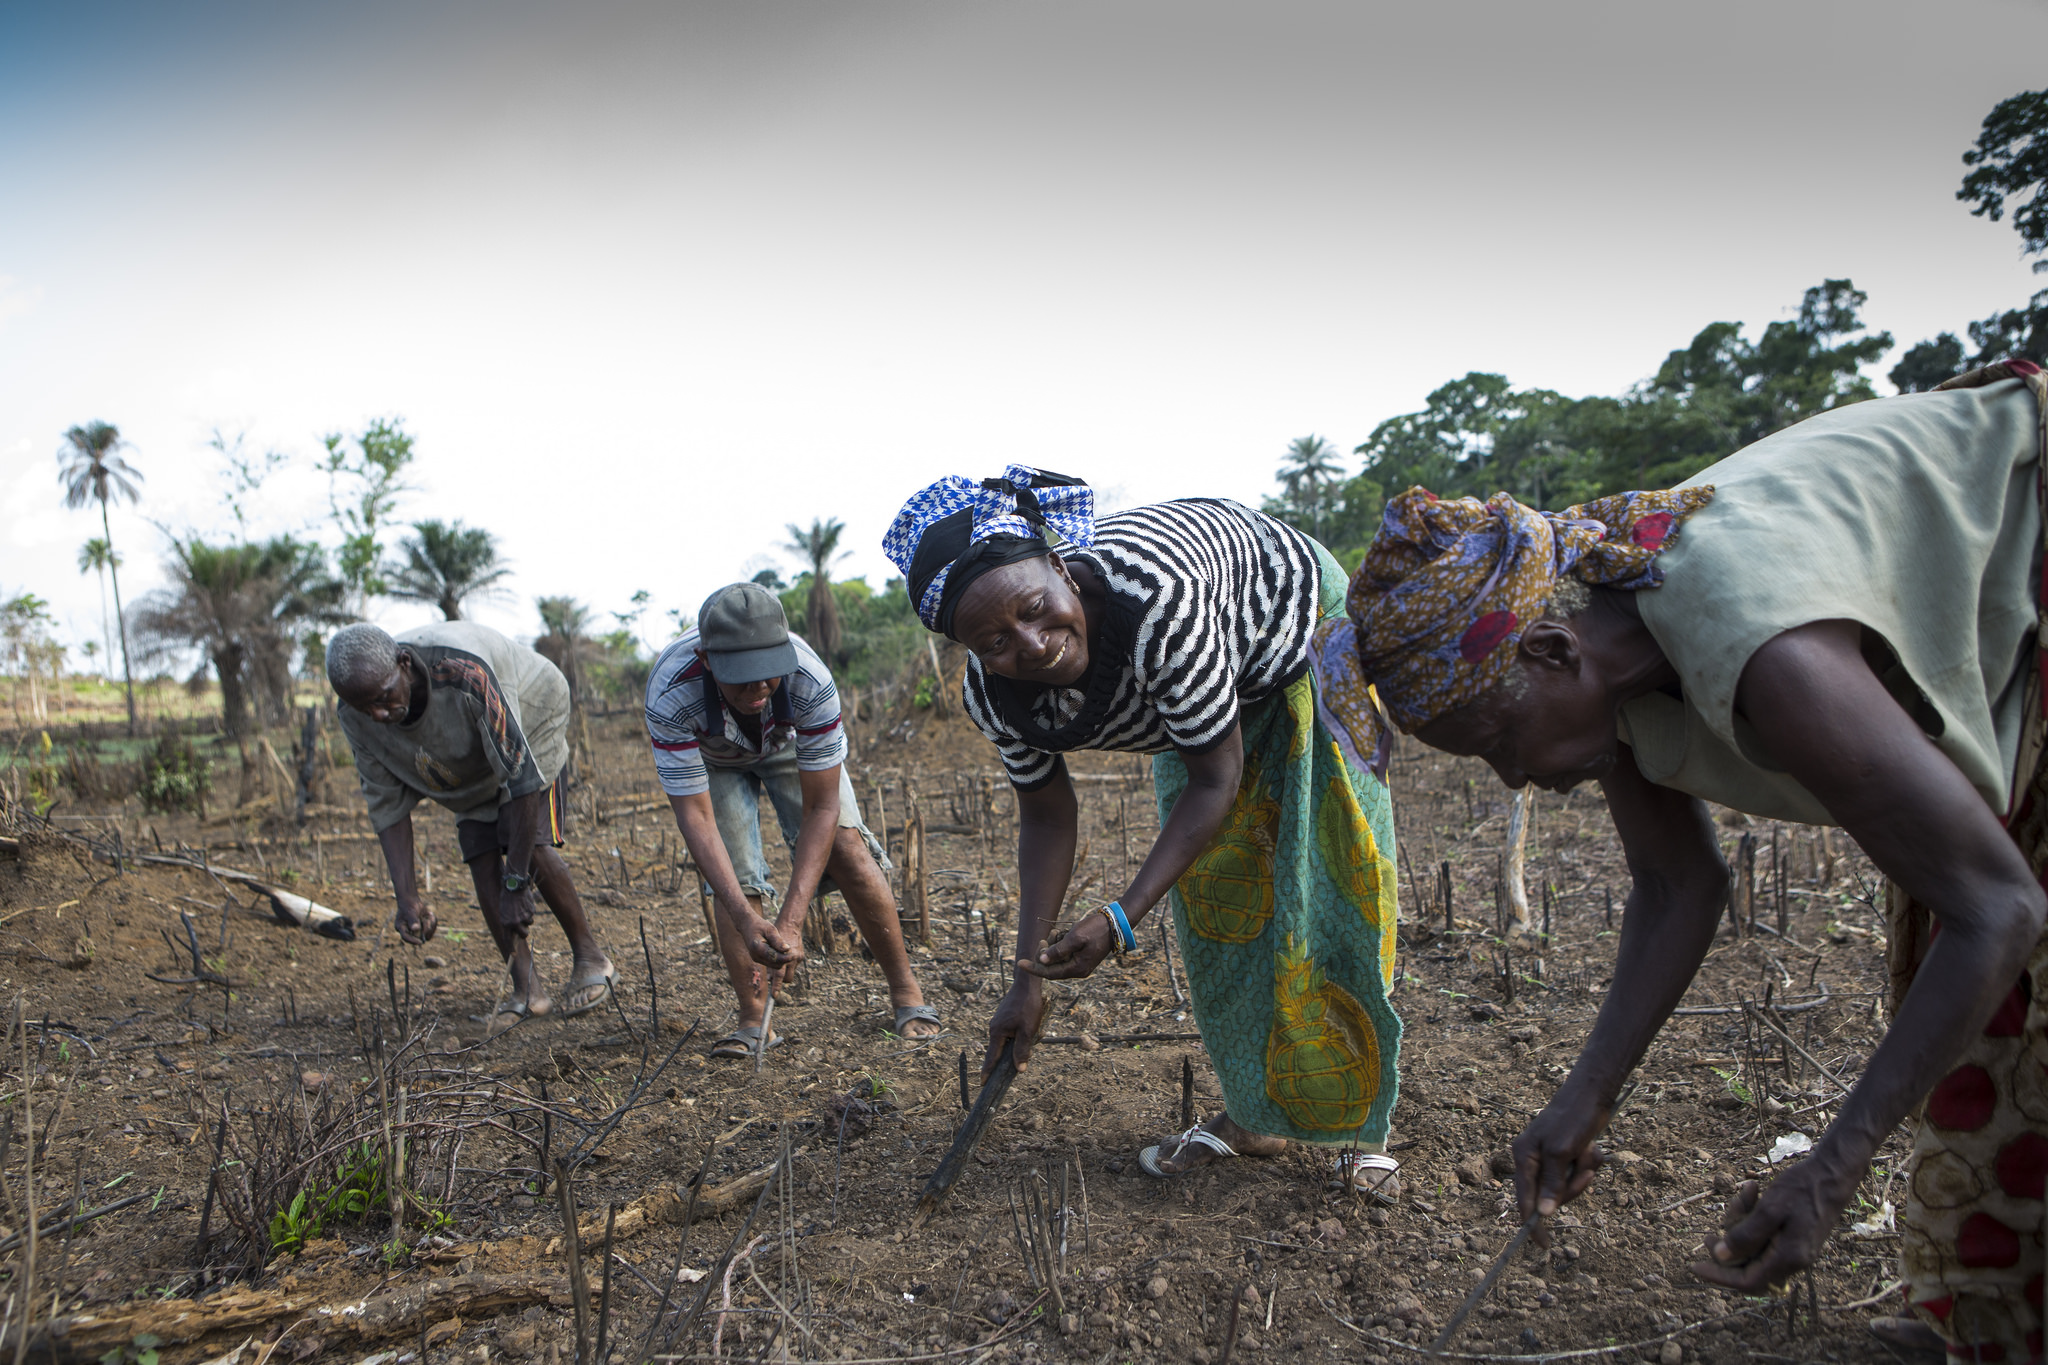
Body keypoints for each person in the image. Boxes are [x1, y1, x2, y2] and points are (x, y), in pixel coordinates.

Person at [1316, 361, 2048, 1362]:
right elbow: (1676, 882)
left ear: (1547, 654)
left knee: (1990, 961)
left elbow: (1995, 909)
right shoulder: (1613, 643)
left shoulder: (1765, 651)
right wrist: (1583, 1098)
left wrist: (1830, 1171)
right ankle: (1989, 1320)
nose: (1514, 776)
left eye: (1499, 740)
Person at [881, 466, 1403, 1193]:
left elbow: (1215, 779)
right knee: (1221, 904)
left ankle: (1360, 1133)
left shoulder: (1157, 604)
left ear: (1062, 567)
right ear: (967, 651)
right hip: (1196, 696)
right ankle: (1255, 1115)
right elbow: (1045, 810)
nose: (1029, 644)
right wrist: (1027, 975)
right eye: (994, 641)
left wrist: (1121, 917)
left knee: (1328, 878)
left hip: (1294, 629)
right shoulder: (994, 697)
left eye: (1036, 607)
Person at [645, 581, 940, 1058]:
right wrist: (745, 917)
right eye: (742, 676)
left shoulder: (809, 678)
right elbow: (696, 817)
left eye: (768, 673)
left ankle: (908, 994)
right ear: (706, 661)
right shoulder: (670, 692)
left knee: (845, 846)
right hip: (714, 759)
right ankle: (753, 1019)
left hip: (788, 746)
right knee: (736, 880)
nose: (759, 688)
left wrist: (793, 921)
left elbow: (822, 807)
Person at [328, 620, 616, 1028]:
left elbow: (519, 776)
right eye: (363, 707)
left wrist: (515, 884)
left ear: (404, 664)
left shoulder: (464, 673)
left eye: (384, 697)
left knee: (528, 846)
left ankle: (591, 958)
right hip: (464, 753)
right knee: (480, 853)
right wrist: (406, 898)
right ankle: (526, 989)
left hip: (531, 718)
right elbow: (387, 805)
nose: (377, 714)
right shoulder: (355, 716)